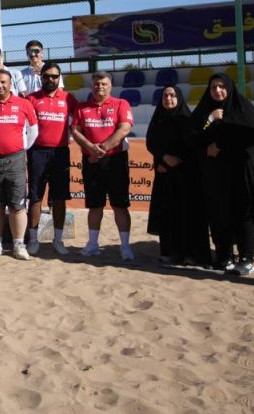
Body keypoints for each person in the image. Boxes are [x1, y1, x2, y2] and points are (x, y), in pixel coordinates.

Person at [189, 73, 254, 275]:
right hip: (215, 173)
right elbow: (193, 134)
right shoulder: (205, 110)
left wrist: (220, 145)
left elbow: (250, 135)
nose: (217, 91)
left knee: (243, 212)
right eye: (213, 87)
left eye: (222, 86)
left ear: (230, 88)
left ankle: (246, 257)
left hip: (240, 170)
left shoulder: (243, 108)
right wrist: (211, 118)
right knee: (219, 213)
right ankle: (224, 255)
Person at [71, 71, 135, 260]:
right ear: (92, 86)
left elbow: (124, 128)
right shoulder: (82, 107)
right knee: (94, 205)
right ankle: (92, 245)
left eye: (104, 84)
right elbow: (75, 131)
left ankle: (125, 247)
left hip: (115, 161)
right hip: (91, 162)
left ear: (110, 86)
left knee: (120, 205)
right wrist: (91, 148)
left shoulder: (121, 104)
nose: (100, 87)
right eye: (96, 84)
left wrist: (102, 149)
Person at [146, 86, 210, 265]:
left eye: (172, 95)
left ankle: (190, 254)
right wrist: (163, 159)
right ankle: (169, 251)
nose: (168, 99)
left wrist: (178, 159)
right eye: (165, 96)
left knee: (187, 214)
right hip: (165, 175)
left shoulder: (187, 119)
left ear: (179, 98)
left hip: (187, 176)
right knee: (167, 213)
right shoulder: (158, 119)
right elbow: (152, 143)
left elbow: (194, 144)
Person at [0, 69, 38, 260]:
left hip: (16, 160)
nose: (0, 85)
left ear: (10, 84)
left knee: (17, 205)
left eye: (4, 82)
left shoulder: (24, 104)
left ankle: (18, 245)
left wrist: (21, 148)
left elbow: (33, 131)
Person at [26, 62, 78, 256]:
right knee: (35, 197)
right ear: (41, 77)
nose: (50, 79)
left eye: (54, 76)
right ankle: (33, 240)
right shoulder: (31, 98)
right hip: (37, 152)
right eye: (47, 76)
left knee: (59, 198)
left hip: (60, 153)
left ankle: (58, 239)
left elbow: (79, 122)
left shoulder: (69, 98)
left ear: (59, 78)